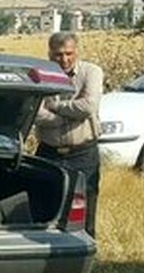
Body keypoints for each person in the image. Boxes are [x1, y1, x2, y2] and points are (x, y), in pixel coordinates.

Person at [34, 31, 104, 237]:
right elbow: (36, 112)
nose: (64, 59)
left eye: (68, 53)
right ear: (49, 54)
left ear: (76, 52)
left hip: (83, 153)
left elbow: (88, 106)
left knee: (86, 207)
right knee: (45, 207)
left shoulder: (91, 72)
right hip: (49, 152)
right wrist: (66, 116)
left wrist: (55, 105)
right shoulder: (39, 76)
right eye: (58, 54)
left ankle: (86, 253)